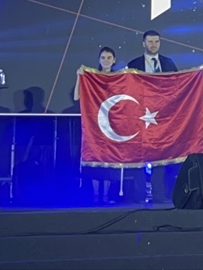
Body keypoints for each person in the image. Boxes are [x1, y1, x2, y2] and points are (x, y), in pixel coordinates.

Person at [125, 31, 177, 204]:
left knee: (161, 154)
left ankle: (159, 194)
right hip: (140, 116)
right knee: (139, 155)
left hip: (162, 116)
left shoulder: (168, 63)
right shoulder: (133, 64)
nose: (153, 45)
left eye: (156, 41)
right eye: (150, 41)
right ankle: (139, 195)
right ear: (143, 43)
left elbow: (177, 86)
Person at [75, 47, 119, 204]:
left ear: (114, 60)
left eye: (109, 57)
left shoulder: (119, 78)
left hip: (111, 124)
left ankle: (105, 196)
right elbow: (77, 97)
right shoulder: (92, 76)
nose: (106, 60)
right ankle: (95, 197)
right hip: (94, 124)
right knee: (95, 158)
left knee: (109, 160)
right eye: (103, 57)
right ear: (99, 59)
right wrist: (79, 77)